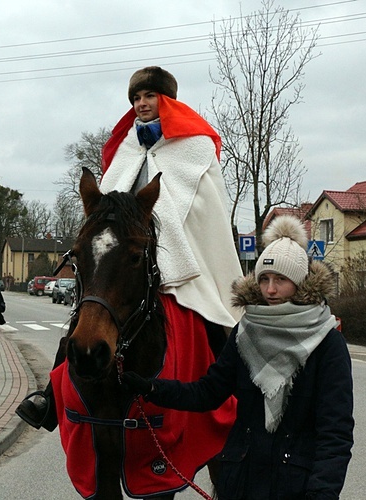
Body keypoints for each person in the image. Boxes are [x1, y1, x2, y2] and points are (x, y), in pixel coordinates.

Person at [15, 65, 243, 430]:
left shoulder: (196, 146)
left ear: (166, 100)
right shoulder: (126, 147)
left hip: (181, 257)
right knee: (85, 316)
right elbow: (106, 206)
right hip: (128, 258)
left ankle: (238, 392)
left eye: (149, 96)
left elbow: (206, 214)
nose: (141, 104)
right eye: (136, 98)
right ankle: (50, 395)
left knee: (214, 322)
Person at [121, 215, 354, 500]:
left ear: (301, 283)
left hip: (296, 488)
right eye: (264, 279)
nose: (270, 289)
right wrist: (152, 389)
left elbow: (335, 433)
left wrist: (322, 494)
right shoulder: (246, 332)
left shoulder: (327, 343)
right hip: (240, 484)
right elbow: (208, 393)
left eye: (281, 279)